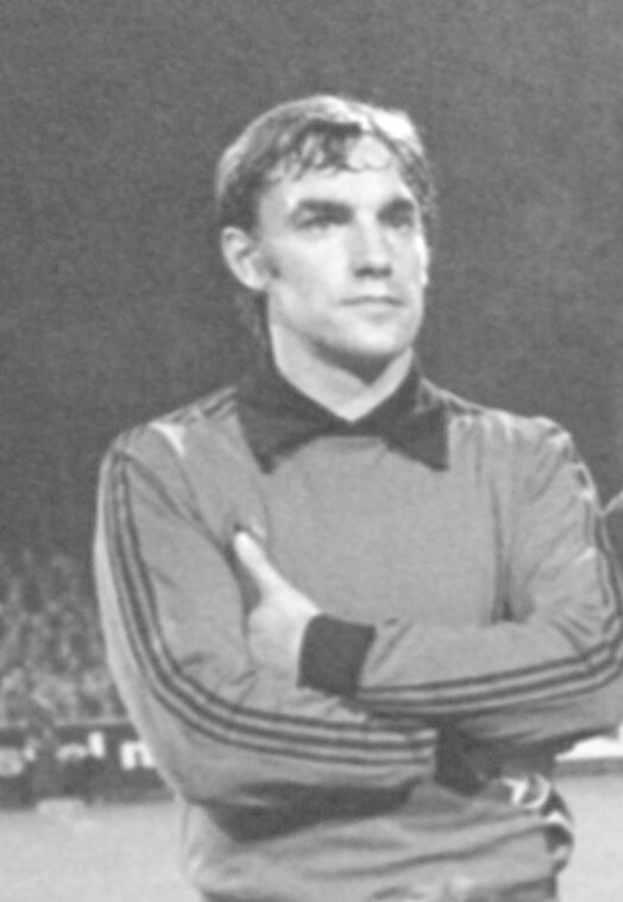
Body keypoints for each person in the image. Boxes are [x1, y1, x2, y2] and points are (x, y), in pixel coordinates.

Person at [93, 95, 623, 902]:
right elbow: (212, 740)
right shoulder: (168, 465)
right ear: (248, 258)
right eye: (322, 221)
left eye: (399, 219)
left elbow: (589, 674)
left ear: (426, 251)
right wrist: (459, 752)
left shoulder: (526, 458)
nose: (374, 255)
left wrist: (323, 652)